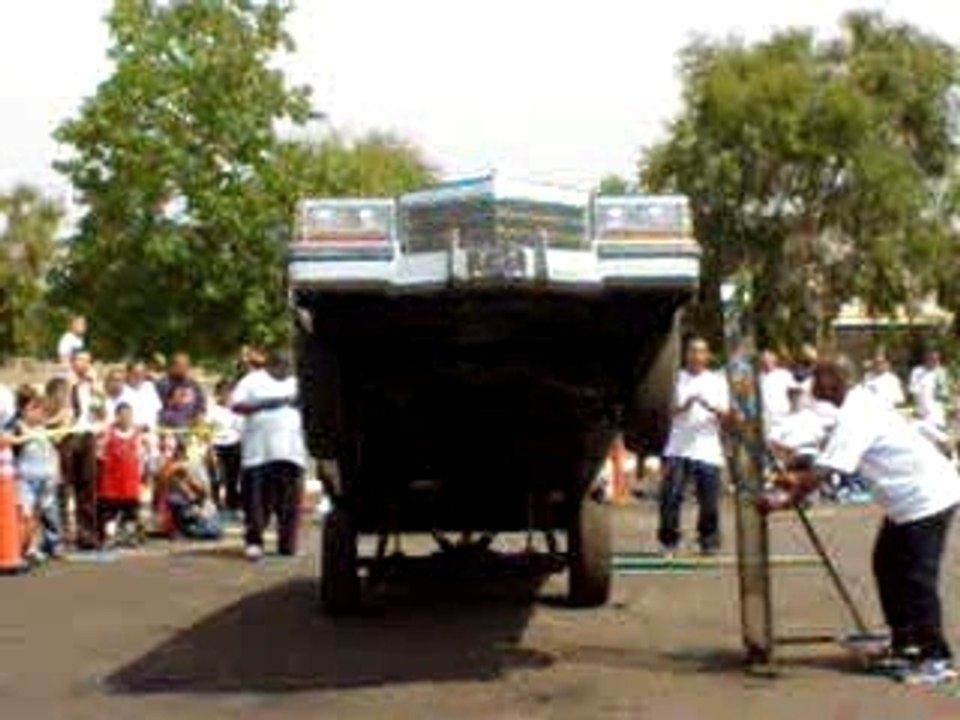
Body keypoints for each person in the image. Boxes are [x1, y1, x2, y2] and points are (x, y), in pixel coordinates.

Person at [764, 359, 960, 685]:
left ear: (832, 383)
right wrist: (796, 475)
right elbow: (827, 457)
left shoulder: (857, 413)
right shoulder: (854, 407)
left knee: (916, 578)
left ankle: (935, 657)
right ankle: (905, 643)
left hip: (926, 498)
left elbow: (829, 468)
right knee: (886, 563)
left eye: (817, 379)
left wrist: (786, 500)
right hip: (907, 502)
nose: (812, 386)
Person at [657, 337, 730, 557]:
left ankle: (708, 540)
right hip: (677, 446)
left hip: (707, 447)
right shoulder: (675, 379)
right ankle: (669, 541)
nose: (697, 357)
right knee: (671, 496)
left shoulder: (717, 380)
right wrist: (683, 406)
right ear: (685, 354)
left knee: (709, 500)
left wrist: (710, 406)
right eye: (692, 352)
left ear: (707, 356)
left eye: (701, 352)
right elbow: (662, 412)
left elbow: (727, 415)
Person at [231, 348, 307, 561]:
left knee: (290, 504)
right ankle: (254, 542)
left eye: (291, 366)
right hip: (259, 454)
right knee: (257, 502)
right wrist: (277, 402)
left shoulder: (298, 382)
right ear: (272, 364)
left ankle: (287, 544)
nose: (288, 370)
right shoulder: (253, 380)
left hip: (292, 452)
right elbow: (237, 405)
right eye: (284, 365)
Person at [10, 385, 62, 562]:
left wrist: (56, 472)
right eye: (33, 409)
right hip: (26, 477)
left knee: (38, 514)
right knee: (26, 513)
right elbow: (12, 445)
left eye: (40, 409)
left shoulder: (43, 429)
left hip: (46, 476)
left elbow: (53, 451)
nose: (38, 413)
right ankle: (19, 548)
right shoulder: (17, 427)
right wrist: (20, 438)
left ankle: (33, 547)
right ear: (23, 410)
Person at [62, 350, 104, 550]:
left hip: (88, 435)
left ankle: (86, 534)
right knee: (66, 485)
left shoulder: (92, 385)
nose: (85, 364)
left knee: (88, 487)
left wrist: (97, 389)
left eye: (88, 360)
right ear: (72, 362)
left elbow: (101, 412)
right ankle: (63, 533)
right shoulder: (65, 383)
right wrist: (72, 386)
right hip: (69, 435)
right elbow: (62, 408)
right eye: (81, 360)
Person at [97, 402, 143, 547]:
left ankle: (129, 536)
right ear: (117, 416)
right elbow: (99, 453)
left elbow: (141, 455)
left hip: (130, 481)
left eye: (129, 415)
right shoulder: (108, 433)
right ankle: (110, 537)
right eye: (123, 415)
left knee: (131, 512)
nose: (126, 418)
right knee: (110, 513)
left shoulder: (137, 434)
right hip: (112, 482)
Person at [207, 379, 243, 513]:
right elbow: (207, 431)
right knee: (217, 476)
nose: (227, 396)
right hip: (217, 445)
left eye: (229, 393)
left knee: (233, 477)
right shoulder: (212, 410)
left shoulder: (236, 409)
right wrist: (210, 449)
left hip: (233, 444)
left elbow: (240, 428)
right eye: (224, 393)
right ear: (218, 393)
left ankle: (232, 502)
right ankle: (215, 501)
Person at [156, 353, 206, 425]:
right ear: (173, 367)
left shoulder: (193, 385)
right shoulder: (162, 384)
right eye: (180, 366)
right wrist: (172, 402)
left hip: (192, 426)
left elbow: (201, 404)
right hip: (170, 426)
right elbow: (157, 409)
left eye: (186, 366)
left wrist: (200, 415)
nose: (184, 369)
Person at [909, 349, 950, 432]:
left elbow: (944, 393)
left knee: (938, 432)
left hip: (937, 412)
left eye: (937, 359)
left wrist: (941, 388)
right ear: (926, 359)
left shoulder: (942, 372)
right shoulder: (917, 371)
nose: (935, 361)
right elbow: (913, 390)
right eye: (932, 359)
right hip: (922, 411)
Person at [759, 350, 795, 439]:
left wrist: (794, 411)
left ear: (775, 361)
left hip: (783, 415)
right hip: (766, 418)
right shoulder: (758, 378)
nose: (767, 363)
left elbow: (793, 393)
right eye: (764, 361)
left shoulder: (784, 374)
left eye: (769, 360)